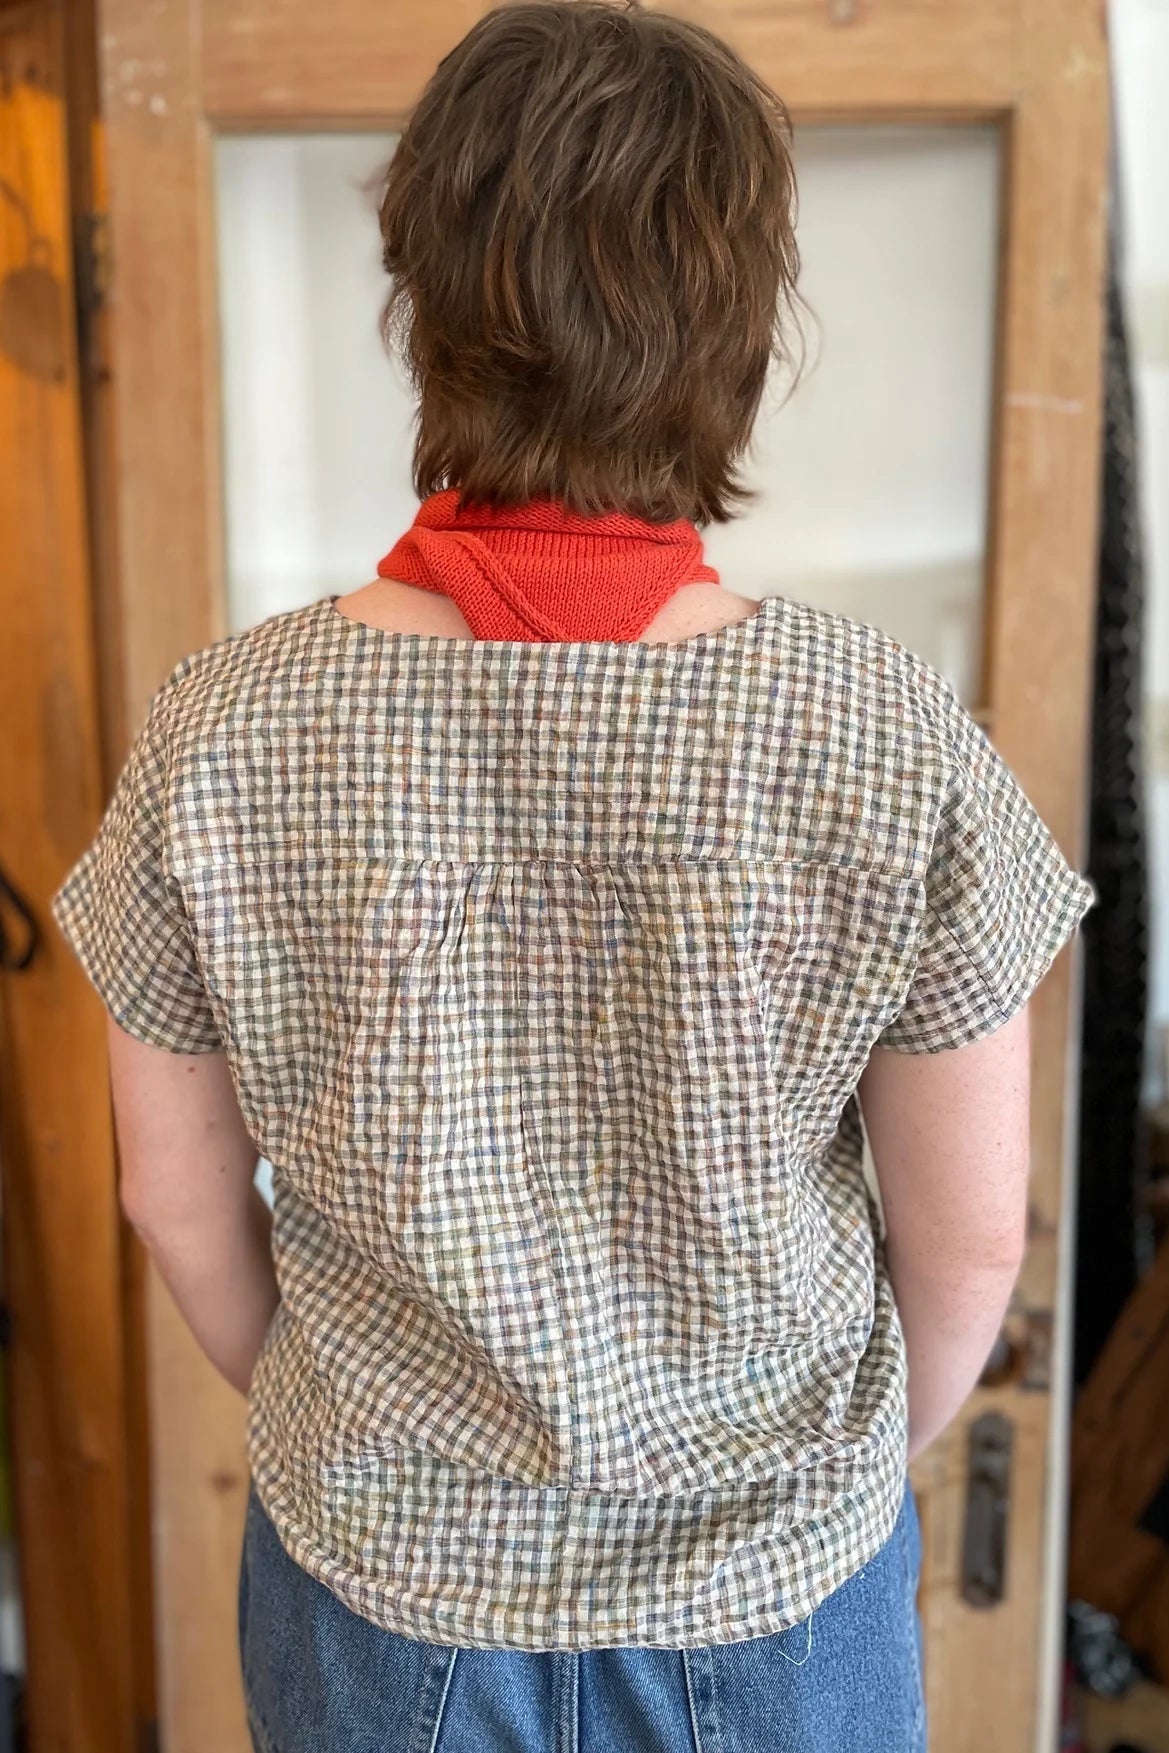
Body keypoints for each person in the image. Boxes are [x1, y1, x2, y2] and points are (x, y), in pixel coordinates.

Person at [51, 3, 1096, 1748]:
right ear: (740, 310)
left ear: (426, 282)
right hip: (777, 1598)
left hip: (379, 1593)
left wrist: (360, 1434)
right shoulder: (882, 733)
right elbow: (971, 1243)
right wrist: (809, 1496)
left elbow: (171, 1201)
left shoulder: (219, 730)